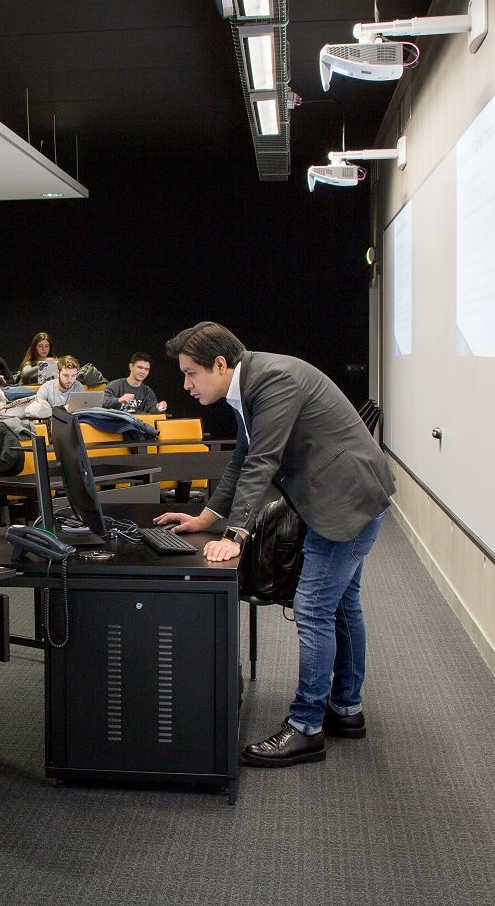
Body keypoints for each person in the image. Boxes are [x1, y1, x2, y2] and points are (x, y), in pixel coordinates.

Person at [153, 322, 395, 770]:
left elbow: (263, 462)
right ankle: (345, 709)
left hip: (349, 501)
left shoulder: (274, 381)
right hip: (344, 495)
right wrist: (207, 518)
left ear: (220, 365)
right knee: (342, 605)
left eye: (190, 374)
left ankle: (306, 729)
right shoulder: (250, 385)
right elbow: (242, 460)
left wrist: (236, 536)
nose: (185, 385)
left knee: (314, 608)